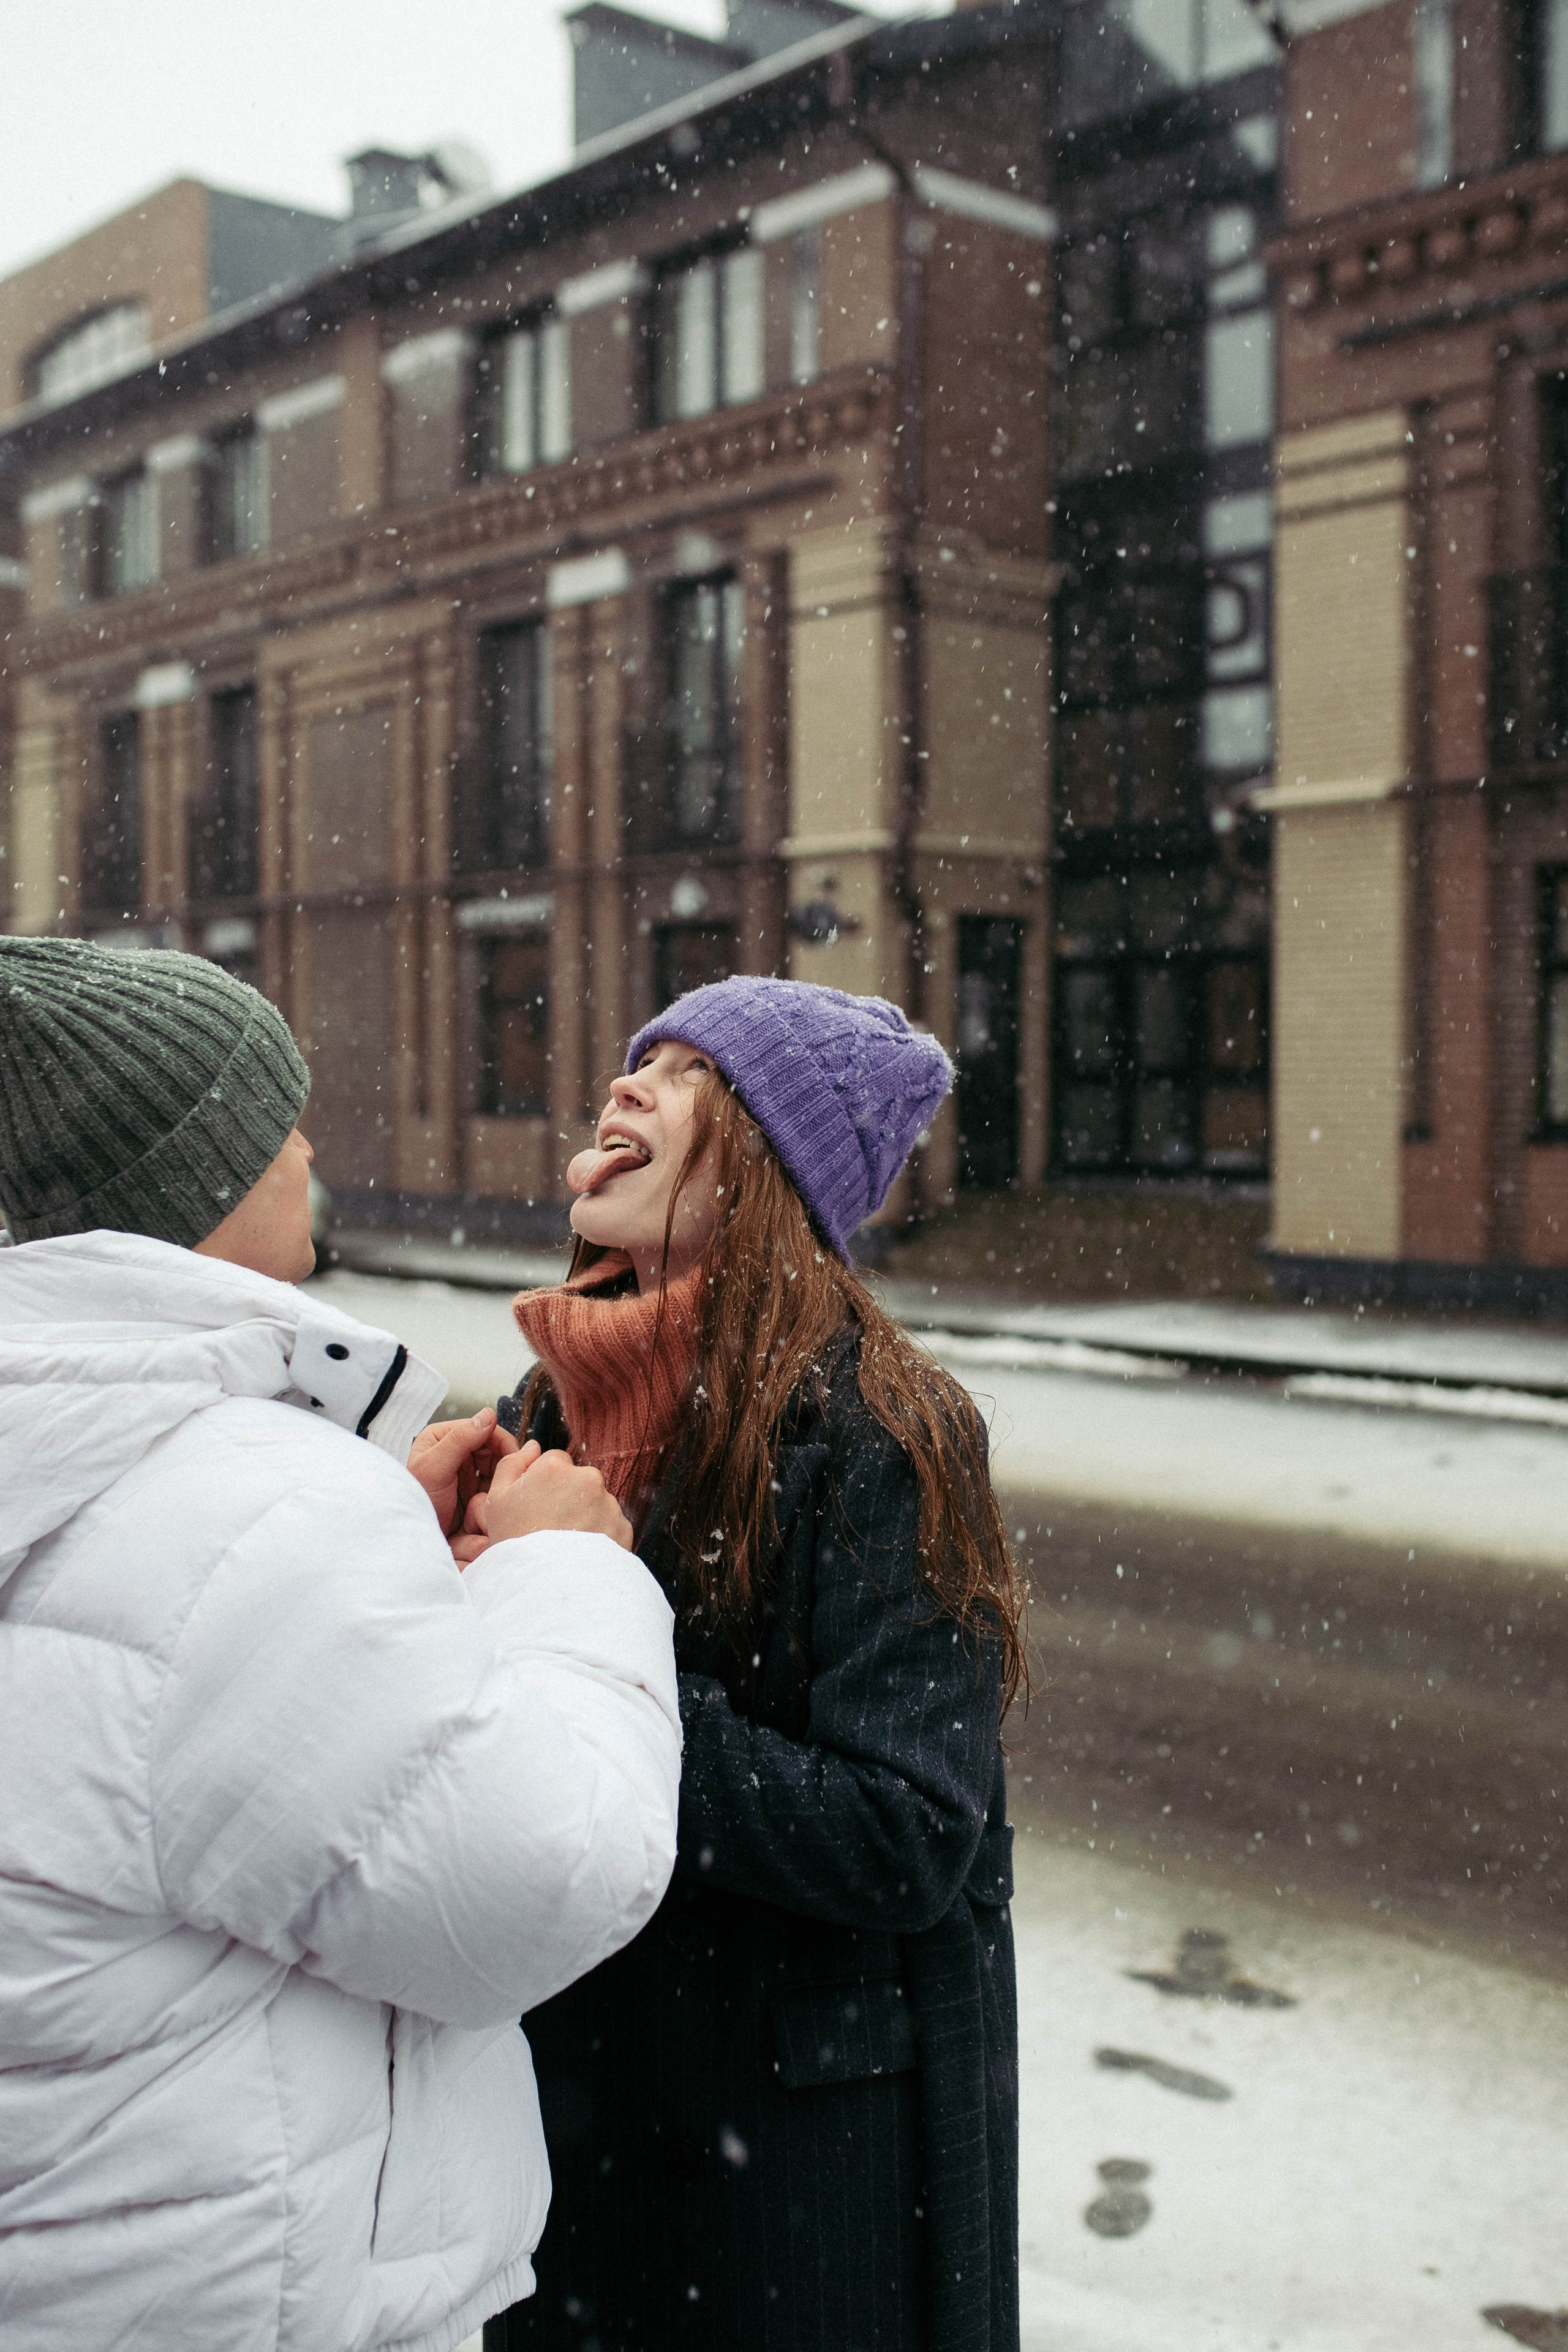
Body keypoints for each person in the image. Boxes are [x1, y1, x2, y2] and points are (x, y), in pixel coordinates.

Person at [0, 935, 682, 2352]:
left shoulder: (87, 1458)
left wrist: (366, 1525)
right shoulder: (251, 1512)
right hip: (233, 2293)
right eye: (273, 1119)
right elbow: (535, 1882)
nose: (308, 1143)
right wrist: (562, 1571)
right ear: (181, 1186)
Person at [477, 977, 1025, 2352]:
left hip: (781, 2182)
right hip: (553, 2121)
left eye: (678, 1073)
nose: (621, 1086)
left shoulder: (879, 1425)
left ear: (770, 1164)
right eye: (628, 1061)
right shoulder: (541, 1407)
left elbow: (905, 1834)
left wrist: (587, 1611)